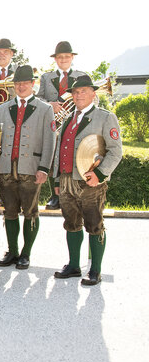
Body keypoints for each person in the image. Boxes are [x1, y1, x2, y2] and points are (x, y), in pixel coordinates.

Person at [52, 75, 122, 286]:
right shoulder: (68, 118)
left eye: (83, 91)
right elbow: (59, 151)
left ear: (93, 93)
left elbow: (115, 151)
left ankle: (95, 270)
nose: (78, 95)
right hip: (66, 181)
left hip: (91, 181)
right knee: (71, 224)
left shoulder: (105, 117)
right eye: (75, 92)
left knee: (94, 225)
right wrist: (56, 180)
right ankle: (74, 265)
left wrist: (100, 175)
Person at [0, 65, 54, 270]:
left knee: (31, 212)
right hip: (6, 167)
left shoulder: (45, 108)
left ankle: (26, 253)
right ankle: (12, 251)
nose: (21, 86)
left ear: (33, 84)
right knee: (10, 211)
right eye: (18, 83)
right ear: (13, 86)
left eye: (25, 83)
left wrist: (44, 168)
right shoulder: (3, 108)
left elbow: (49, 142)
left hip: (31, 167)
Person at [37, 41, 87, 210]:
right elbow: (38, 99)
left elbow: (94, 99)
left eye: (67, 56)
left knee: (73, 157)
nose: (63, 59)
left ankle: (75, 193)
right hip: (53, 123)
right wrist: (50, 104)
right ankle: (55, 195)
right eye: (60, 57)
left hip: (75, 123)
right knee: (52, 159)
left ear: (72, 58)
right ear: (55, 59)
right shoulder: (46, 77)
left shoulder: (81, 76)